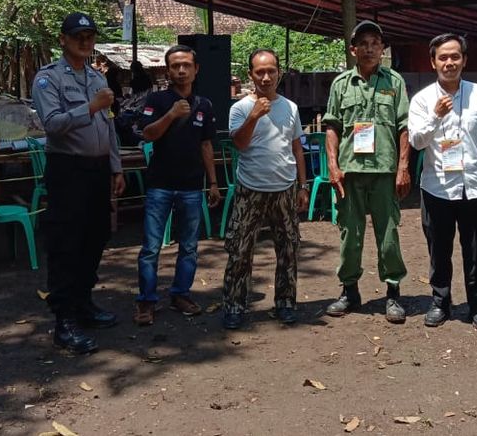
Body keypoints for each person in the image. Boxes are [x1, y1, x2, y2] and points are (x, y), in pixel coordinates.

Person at [32, 12, 126, 354]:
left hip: (98, 171)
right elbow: (53, 124)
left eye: (89, 36)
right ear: (63, 39)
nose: (85, 42)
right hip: (68, 171)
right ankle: (64, 320)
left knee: (95, 237)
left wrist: (116, 169)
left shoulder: (97, 78)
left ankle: (84, 304)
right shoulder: (48, 79)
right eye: (78, 36)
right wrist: (90, 107)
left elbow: (110, 127)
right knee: (66, 243)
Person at [408, 33, 477, 331]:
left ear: (464, 59)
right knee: (439, 249)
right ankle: (440, 301)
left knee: (475, 250)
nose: (449, 63)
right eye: (443, 57)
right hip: (436, 187)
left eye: (455, 57)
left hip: (474, 185)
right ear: (433, 61)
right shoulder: (423, 99)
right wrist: (435, 116)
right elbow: (416, 140)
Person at [322, 20, 410, 324]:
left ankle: (393, 293)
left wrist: (403, 168)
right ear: (353, 49)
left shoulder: (394, 81)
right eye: (364, 43)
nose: (370, 48)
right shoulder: (341, 84)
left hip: (385, 170)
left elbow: (404, 128)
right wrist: (333, 166)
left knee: (388, 234)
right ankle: (349, 290)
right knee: (350, 234)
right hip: (350, 172)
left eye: (375, 42)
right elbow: (331, 127)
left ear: (382, 48)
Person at [133, 45, 221, 326]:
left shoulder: (204, 105)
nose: (181, 70)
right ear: (168, 70)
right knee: (151, 247)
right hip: (160, 185)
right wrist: (171, 114)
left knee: (190, 246)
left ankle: (180, 294)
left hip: (192, 186)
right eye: (175, 66)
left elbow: (207, 145)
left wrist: (214, 182)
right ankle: (146, 301)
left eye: (186, 65)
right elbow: (147, 135)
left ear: (196, 69)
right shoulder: (157, 100)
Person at [221, 48, 309, 330]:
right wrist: (254, 116)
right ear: (251, 75)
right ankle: (235, 305)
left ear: (279, 72)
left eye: (271, 70)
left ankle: (285, 303)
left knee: (289, 249)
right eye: (260, 71)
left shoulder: (290, 107)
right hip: (250, 188)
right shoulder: (240, 108)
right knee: (240, 249)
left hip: (284, 187)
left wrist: (302, 185)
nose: (266, 77)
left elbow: (297, 148)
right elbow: (240, 144)